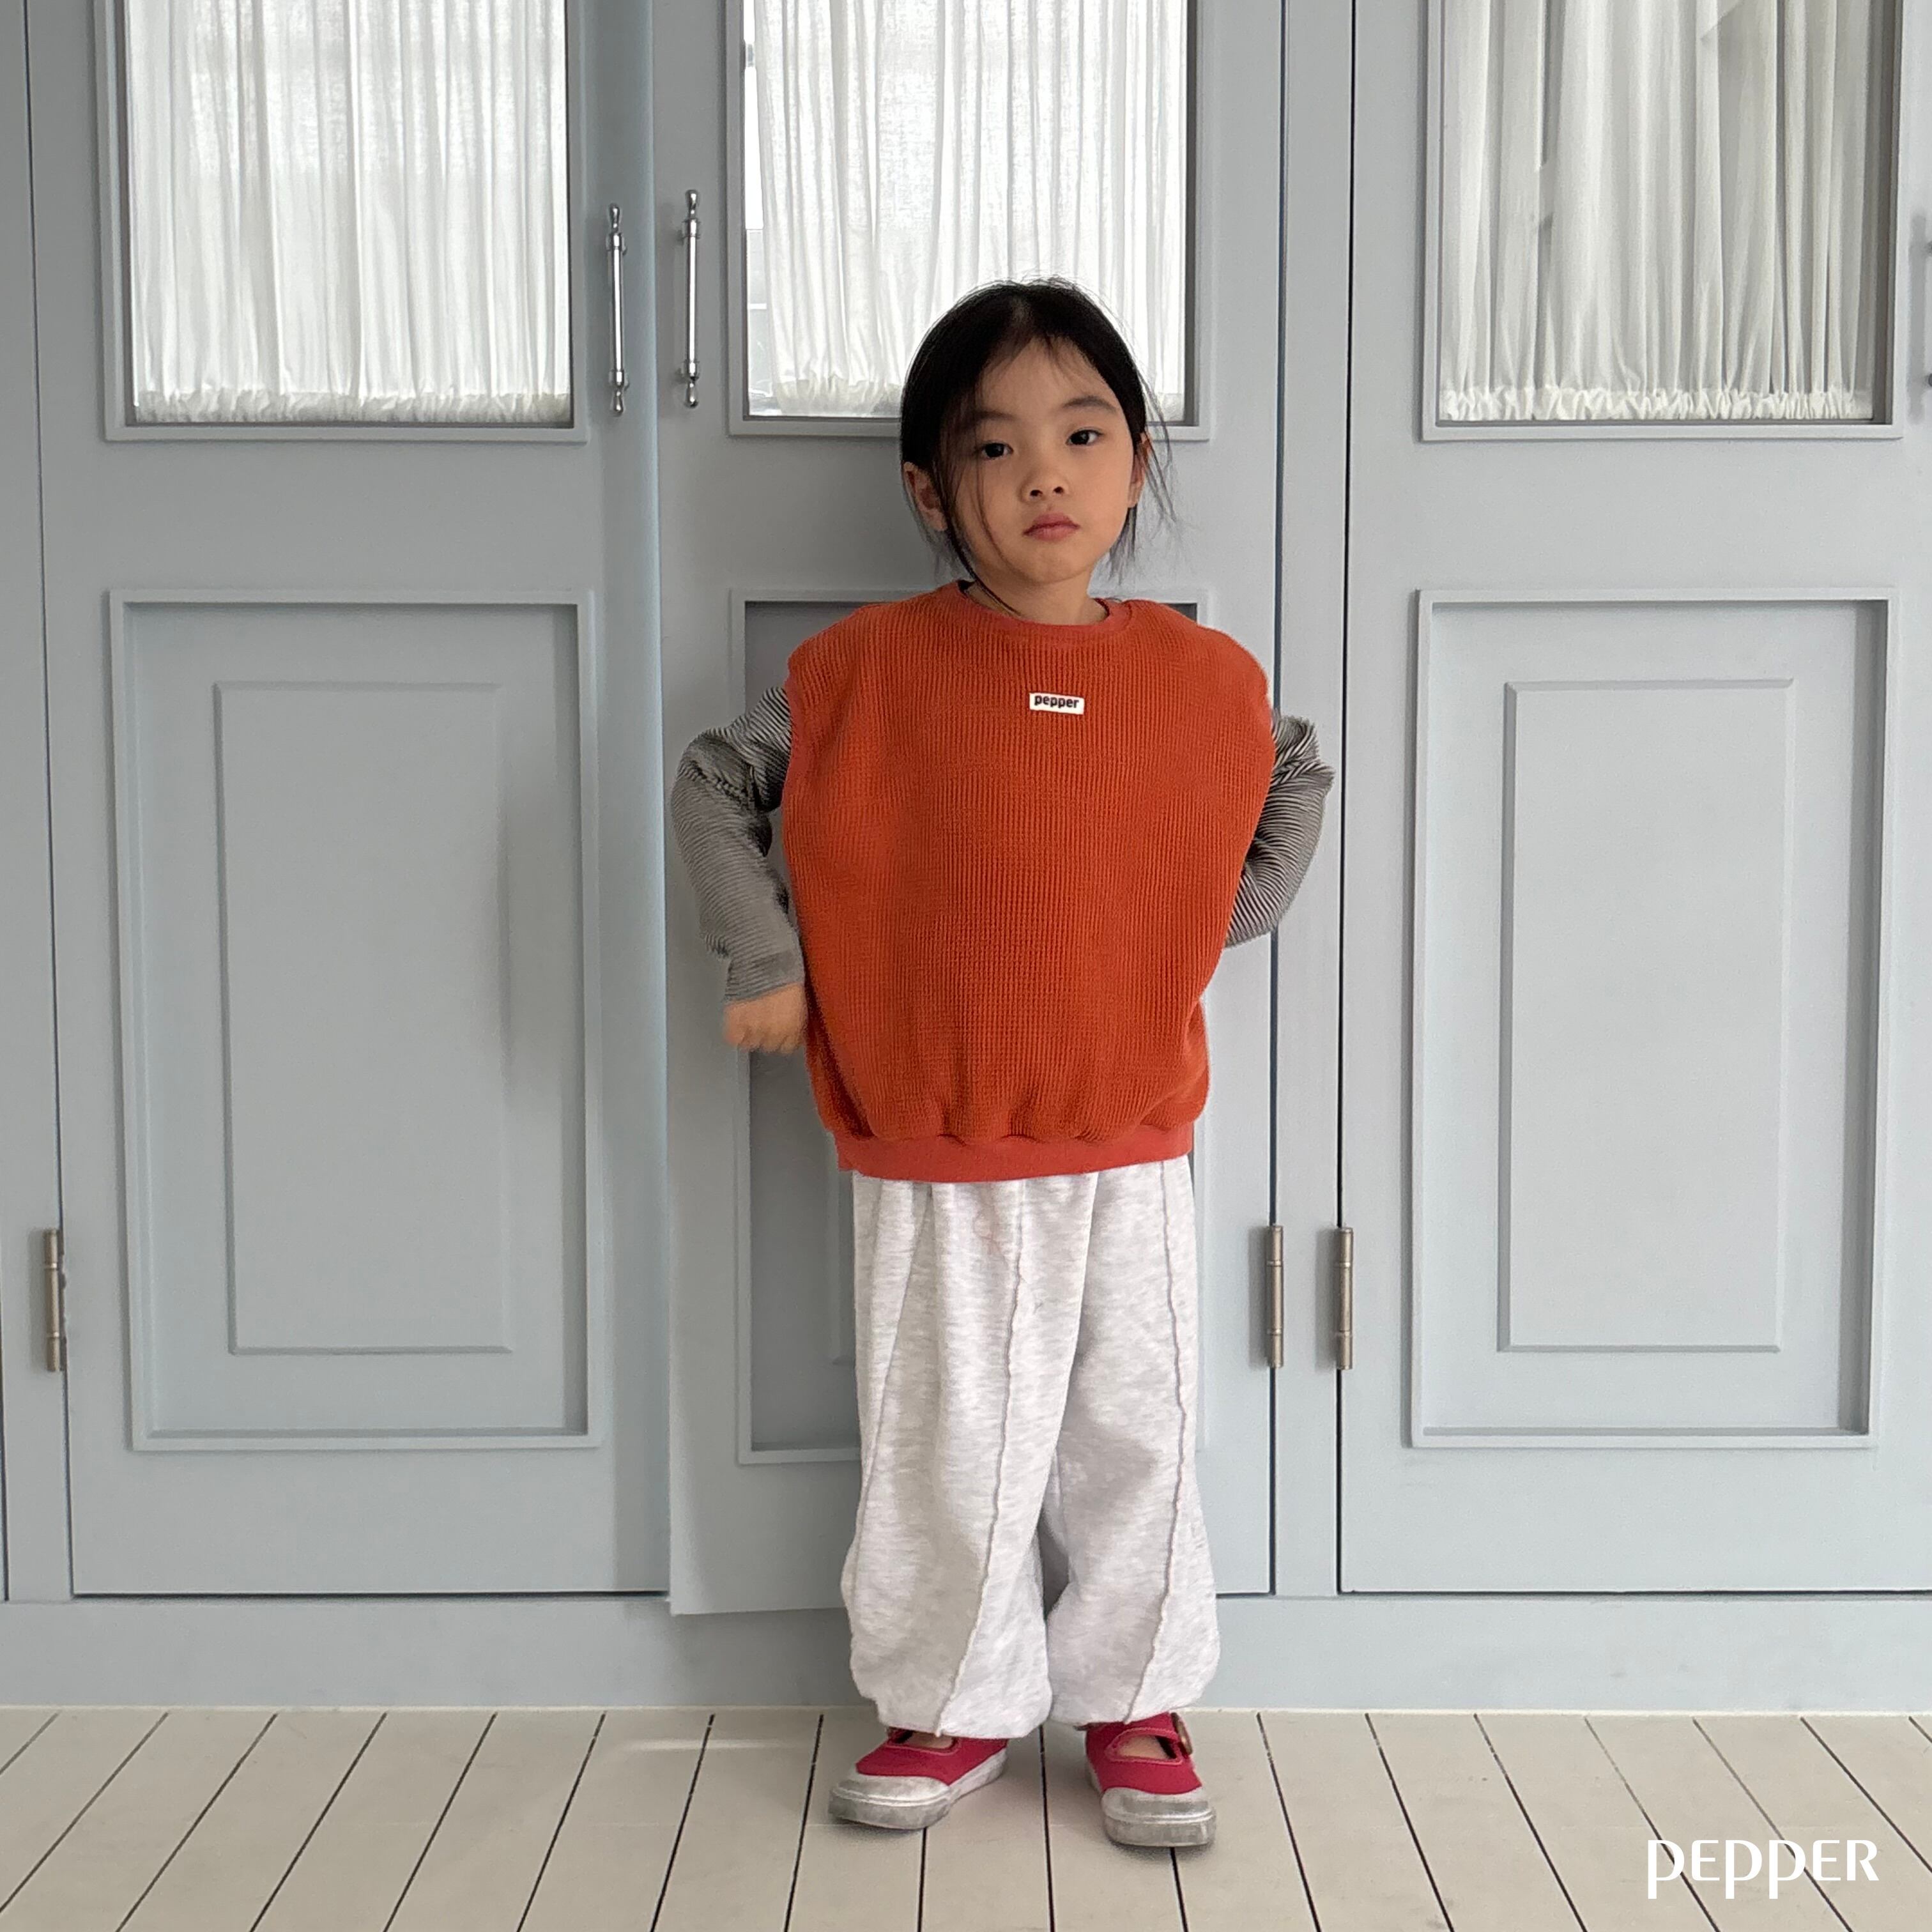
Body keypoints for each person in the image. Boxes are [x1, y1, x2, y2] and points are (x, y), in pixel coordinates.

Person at [670, 277, 1333, 1851]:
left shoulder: (1202, 679)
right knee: (945, 1447)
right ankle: (951, 1701)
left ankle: (1137, 1700)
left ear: (1137, 460)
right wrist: (766, 965)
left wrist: (1205, 922)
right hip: (935, 1137)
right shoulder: (862, 671)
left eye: (1084, 435)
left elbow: (1291, 772)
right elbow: (715, 783)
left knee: (1136, 1440)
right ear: (930, 488)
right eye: (996, 446)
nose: (1046, 473)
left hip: (1130, 1138)